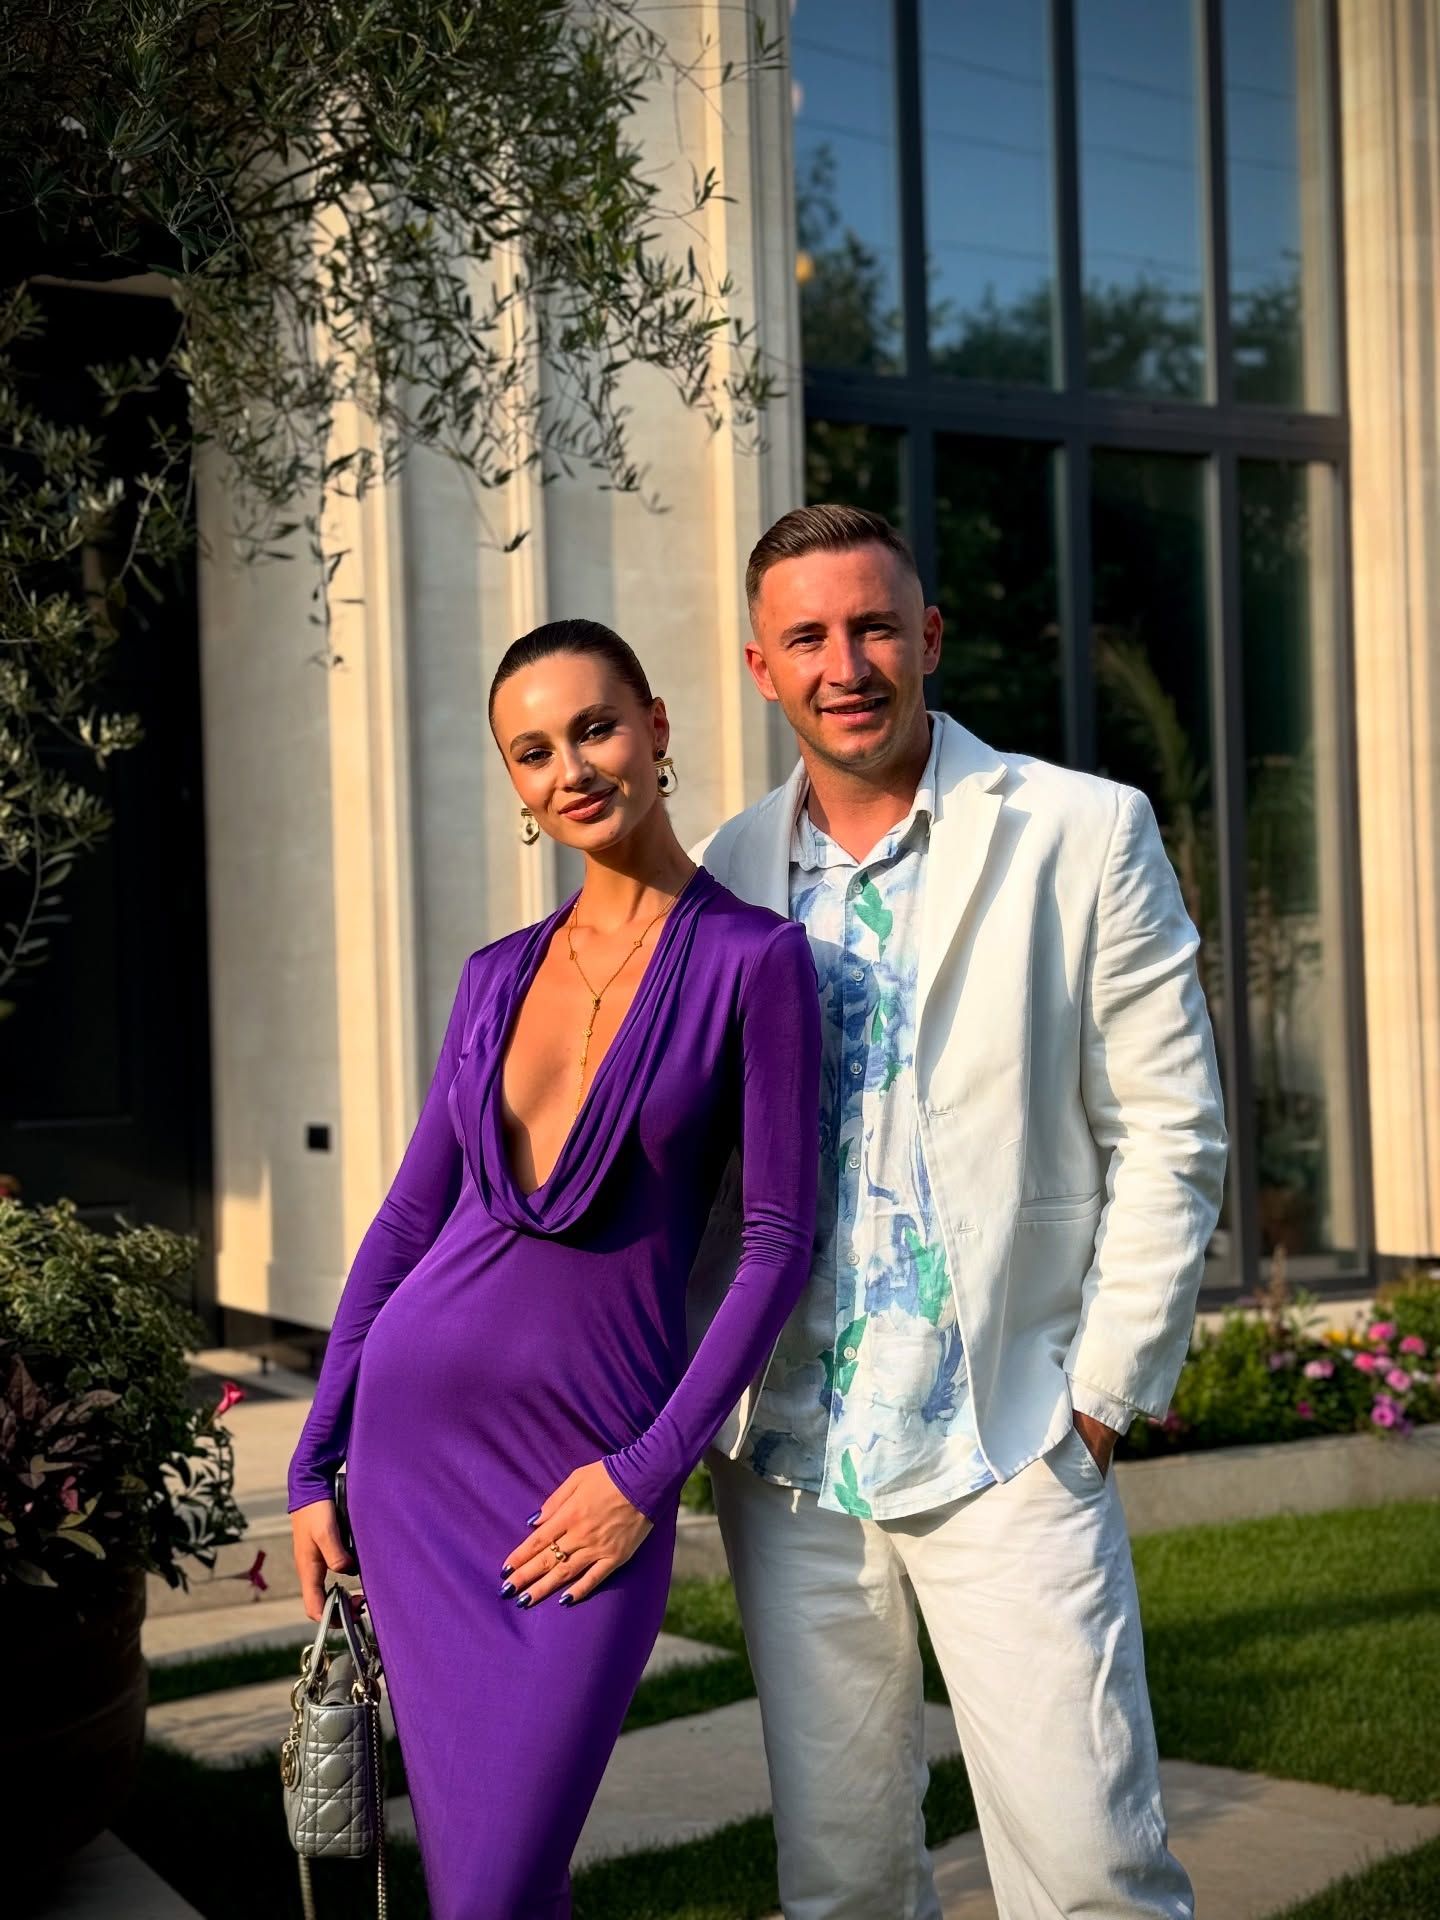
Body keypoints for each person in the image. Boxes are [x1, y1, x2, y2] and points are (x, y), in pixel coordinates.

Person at [686, 504, 1228, 1919]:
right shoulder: (723, 873)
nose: (845, 664)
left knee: (1093, 1872)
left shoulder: (1082, 831)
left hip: (1010, 1438)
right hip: (790, 1462)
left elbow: (1173, 1130)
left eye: (873, 627)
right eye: (808, 637)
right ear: (760, 666)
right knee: (842, 1884)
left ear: (927, 636)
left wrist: (1100, 1394)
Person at [286, 618, 821, 1920]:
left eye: (594, 729)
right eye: (533, 752)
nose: (571, 770)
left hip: (589, 1471)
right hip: (415, 1467)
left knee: (497, 1878)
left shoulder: (755, 962)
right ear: (516, 785)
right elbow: (406, 1226)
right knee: (488, 1884)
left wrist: (648, 1473)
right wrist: (314, 1457)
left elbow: (777, 1242)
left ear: (655, 727)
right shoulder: (493, 979)